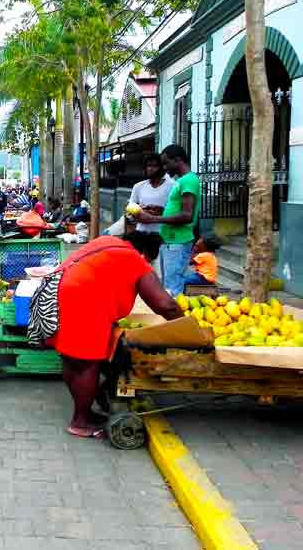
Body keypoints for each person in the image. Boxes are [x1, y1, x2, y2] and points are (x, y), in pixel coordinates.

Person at [46, 234, 181, 438]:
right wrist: (187, 326)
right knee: (88, 364)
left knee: (72, 359)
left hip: (60, 292)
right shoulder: (135, 259)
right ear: (145, 253)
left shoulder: (108, 242)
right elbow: (165, 305)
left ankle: (85, 413)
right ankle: (80, 422)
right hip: (83, 300)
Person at [134, 145, 201, 297]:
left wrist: (153, 219)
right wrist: (158, 211)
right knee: (168, 286)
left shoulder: (188, 181)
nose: (164, 168)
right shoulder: (182, 181)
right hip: (170, 241)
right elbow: (178, 209)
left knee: (172, 288)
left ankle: (176, 320)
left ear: (177, 160)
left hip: (177, 242)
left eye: (166, 163)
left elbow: (187, 215)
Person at [129, 154, 175, 234]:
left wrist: (159, 211)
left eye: (155, 166)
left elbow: (176, 212)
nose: (150, 169)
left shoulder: (172, 185)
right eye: (148, 165)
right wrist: (140, 210)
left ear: (161, 167)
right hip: (141, 233)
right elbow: (130, 209)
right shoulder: (138, 186)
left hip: (162, 235)